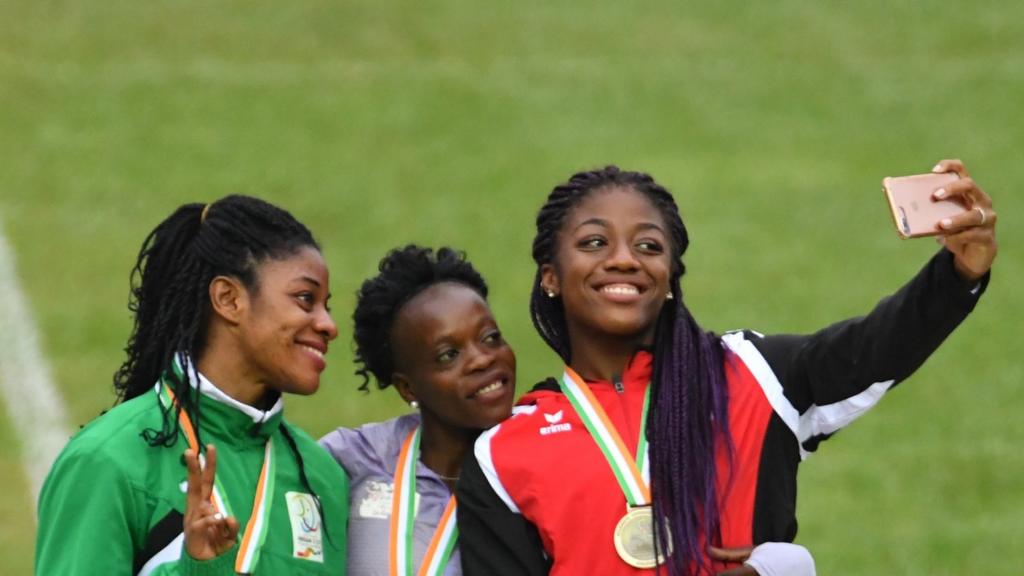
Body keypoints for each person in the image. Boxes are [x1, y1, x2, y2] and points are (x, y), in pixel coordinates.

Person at [457, 160, 997, 575]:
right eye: (594, 242)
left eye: (648, 245)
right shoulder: (504, 452)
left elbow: (875, 348)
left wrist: (957, 273)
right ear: (551, 276)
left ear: (669, 276)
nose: (623, 259)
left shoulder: (752, 375)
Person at [35, 195, 349, 575]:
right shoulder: (110, 460)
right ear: (228, 299)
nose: (328, 324)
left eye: (325, 305)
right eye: (305, 299)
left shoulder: (321, 478)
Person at [320, 245, 516, 576]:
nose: (483, 359)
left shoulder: (544, 457)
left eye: (490, 337)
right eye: (448, 355)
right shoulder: (355, 460)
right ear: (407, 387)